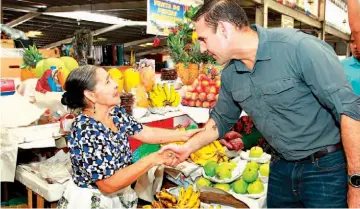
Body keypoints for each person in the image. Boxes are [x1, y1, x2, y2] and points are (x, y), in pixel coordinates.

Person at [161, 0, 360, 208]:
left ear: (223, 29)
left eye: (204, 39)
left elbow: (350, 111)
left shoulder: (299, 48)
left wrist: (356, 186)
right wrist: (187, 148)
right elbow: (220, 120)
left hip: (325, 169)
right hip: (280, 168)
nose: (202, 49)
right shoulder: (230, 74)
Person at [57, 65, 203, 208]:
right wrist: (153, 159)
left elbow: (144, 132)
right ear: (90, 94)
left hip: (119, 196)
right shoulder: (86, 130)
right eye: (108, 81)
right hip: (94, 201)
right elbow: (108, 184)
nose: (115, 85)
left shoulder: (115, 114)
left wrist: (183, 135)